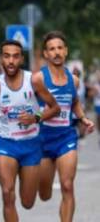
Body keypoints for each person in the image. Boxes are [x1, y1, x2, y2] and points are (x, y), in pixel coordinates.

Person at [0, 40, 60, 222]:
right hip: (6, 142)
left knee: (27, 202)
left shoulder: (34, 80)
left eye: (15, 56)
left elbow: (54, 108)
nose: (11, 61)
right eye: (7, 56)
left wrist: (36, 118)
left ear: (21, 59)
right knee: (7, 193)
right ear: (1, 59)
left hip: (31, 143)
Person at [37, 31, 94, 222]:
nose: (56, 52)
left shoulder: (74, 80)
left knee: (67, 185)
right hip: (43, 139)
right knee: (44, 194)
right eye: (52, 49)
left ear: (66, 51)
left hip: (66, 137)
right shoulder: (38, 79)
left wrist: (83, 118)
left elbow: (75, 101)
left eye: (60, 48)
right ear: (46, 54)